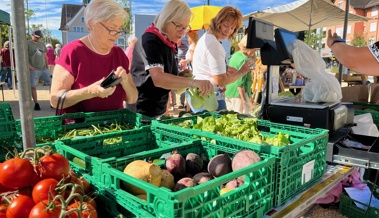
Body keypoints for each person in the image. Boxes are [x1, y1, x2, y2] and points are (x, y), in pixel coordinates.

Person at [50, 0, 138, 114]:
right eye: (112, 28)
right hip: (79, 127)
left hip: (114, 126)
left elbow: (133, 98)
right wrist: (90, 92)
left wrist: (125, 81)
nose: (117, 34)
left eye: (120, 28)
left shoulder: (119, 54)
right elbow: (55, 100)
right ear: (93, 24)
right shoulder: (73, 51)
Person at [130, 0, 213, 118]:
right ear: (166, 20)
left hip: (158, 109)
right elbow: (158, 78)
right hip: (141, 111)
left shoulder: (169, 42)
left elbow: (165, 73)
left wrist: (180, 75)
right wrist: (193, 82)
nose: (182, 32)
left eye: (185, 27)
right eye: (178, 26)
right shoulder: (151, 41)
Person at [188, 6, 253, 113]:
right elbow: (221, 81)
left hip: (202, 95)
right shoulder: (214, 44)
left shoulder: (207, 37)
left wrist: (225, 68)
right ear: (218, 22)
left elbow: (207, 66)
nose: (228, 31)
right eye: (226, 25)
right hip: (209, 98)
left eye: (232, 28)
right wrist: (242, 71)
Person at [225, 35, 257, 114]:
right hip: (238, 95)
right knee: (241, 118)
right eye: (254, 50)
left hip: (228, 91)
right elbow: (240, 83)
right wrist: (244, 100)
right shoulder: (245, 60)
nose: (255, 52)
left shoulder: (235, 55)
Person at [28, 30, 52, 110]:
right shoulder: (27, 43)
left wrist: (47, 66)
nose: (38, 39)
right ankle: (36, 103)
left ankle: (52, 101)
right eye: (36, 37)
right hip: (34, 69)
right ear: (32, 35)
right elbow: (23, 57)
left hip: (43, 68)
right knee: (33, 86)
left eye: (39, 37)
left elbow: (45, 56)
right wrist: (29, 66)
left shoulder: (42, 44)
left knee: (52, 83)